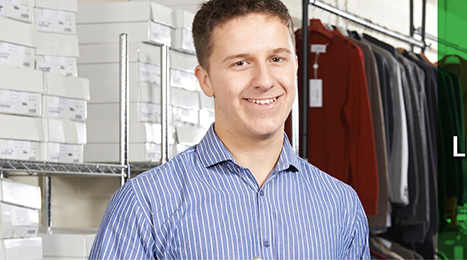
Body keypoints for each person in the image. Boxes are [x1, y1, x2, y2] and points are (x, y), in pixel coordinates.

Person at [88, 0, 370, 258]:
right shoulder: (144, 204)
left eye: (276, 59)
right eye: (241, 63)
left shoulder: (341, 205)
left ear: (295, 66)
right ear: (206, 80)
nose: (264, 80)